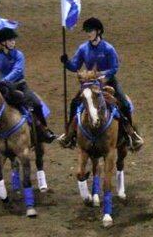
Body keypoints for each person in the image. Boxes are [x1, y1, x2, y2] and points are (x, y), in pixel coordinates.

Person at [57, 17, 144, 151]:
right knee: (74, 103)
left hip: (109, 82)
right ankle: (69, 134)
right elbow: (75, 66)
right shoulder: (83, 49)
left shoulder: (108, 49)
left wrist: (102, 75)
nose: (88, 33)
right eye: (87, 31)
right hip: (90, 84)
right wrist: (67, 62)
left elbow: (114, 67)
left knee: (124, 103)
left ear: (98, 31)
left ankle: (131, 134)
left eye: (90, 30)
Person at [0, 28, 57, 152]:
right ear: (3, 42)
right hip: (2, 89)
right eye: (10, 40)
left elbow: (18, 71)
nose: (13, 42)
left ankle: (43, 129)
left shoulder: (19, 55)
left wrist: (3, 80)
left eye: (13, 40)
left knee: (36, 104)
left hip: (19, 86)